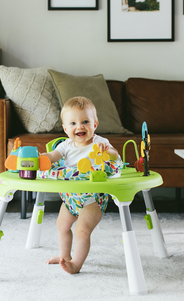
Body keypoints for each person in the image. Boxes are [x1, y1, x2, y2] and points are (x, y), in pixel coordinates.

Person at [39, 96, 122, 274]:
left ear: (95, 124)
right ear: (65, 128)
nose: (80, 126)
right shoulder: (65, 145)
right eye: (73, 123)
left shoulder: (100, 143)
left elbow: (115, 155)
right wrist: (41, 158)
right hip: (71, 198)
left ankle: (76, 263)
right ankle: (65, 256)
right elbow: (53, 156)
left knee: (82, 231)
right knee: (62, 226)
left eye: (85, 121)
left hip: (92, 200)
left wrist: (108, 152)